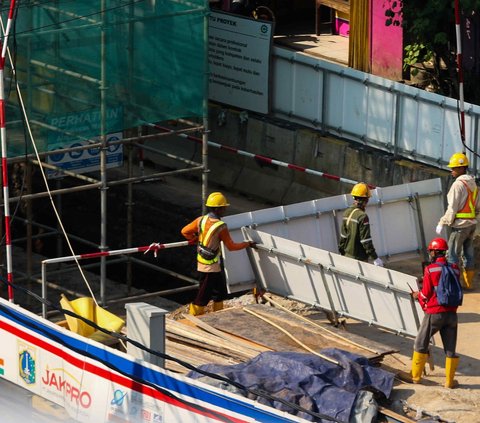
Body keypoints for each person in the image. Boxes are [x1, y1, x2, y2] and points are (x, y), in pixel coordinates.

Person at [181, 192, 256, 316]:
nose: (225, 210)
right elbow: (231, 247)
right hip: (209, 267)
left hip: (205, 261)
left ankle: (218, 314)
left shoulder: (201, 220)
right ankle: (194, 317)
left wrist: (195, 239)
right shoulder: (221, 226)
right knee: (203, 295)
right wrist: (247, 244)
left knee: (219, 291)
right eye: (223, 207)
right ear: (217, 209)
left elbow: (185, 231)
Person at [410, 237, 461, 388]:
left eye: (430, 251)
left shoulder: (430, 269)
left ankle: (415, 377)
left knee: (420, 342)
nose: (430, 253)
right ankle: (449, 382)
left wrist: (416, 295)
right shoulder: (455, 268)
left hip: (435, 313)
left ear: (434, 252)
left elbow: (425, 294)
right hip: (452, 314)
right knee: (450, 348)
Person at [436, 152, 479, 289]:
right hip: (471, 225)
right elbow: (478, 207)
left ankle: (453, 285)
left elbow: (452, 208)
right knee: (468, 254)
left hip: (460, 226)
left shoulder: (457, 185)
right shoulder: (473, 183)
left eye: (454, 168)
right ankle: (468, 284)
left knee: (452, 255)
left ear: (462, 168)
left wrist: (442, 222)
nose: (451, 170)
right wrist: (473, 219)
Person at [338, 182, 383, 266]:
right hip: (359, 259)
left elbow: (343, 237)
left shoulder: (346, 213)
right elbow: (365, 240)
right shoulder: (362, 216)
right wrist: (375, 257)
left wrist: (341, 252)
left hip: (347, 256)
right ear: (366, 200)